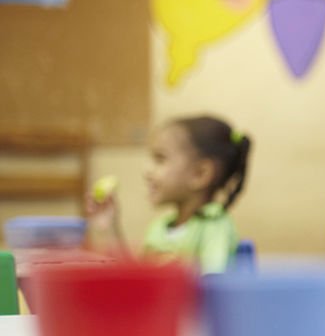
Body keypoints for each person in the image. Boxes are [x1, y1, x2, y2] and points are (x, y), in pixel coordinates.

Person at [87, 114, 251, 274]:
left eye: (160, 159)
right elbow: (135, 282)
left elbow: (214, 284)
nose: (147, 172)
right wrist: (109, 227)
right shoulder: (158, 228)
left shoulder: (215, 225)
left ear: (200, 174)